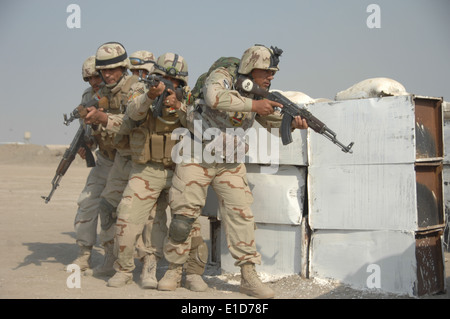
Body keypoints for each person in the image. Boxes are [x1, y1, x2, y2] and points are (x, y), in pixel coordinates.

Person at [159, 44, 308, 298]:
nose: (270, 77)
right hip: (197, 150)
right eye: (266, 72)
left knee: (242, 216)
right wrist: (254, 105)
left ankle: (248, 276)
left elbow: (267, 118)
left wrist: (291, 123)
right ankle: (174, 269)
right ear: (250, 67)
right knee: (184, 215)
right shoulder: (223, 75)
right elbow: (213, 97)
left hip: (229, 159)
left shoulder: (261, 92)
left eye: (273, 73)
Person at [107, 53, 208, 291]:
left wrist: (179, 105)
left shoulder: (190, 97)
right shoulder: (142, 90)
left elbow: (201, 126)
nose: (167, 84)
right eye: (163, 78)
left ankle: (192, 273)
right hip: (148, 169)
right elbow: (132, 113)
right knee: (127, 219)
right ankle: (124, 269)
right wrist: (151, 96)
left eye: (173, 81)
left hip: (181, 168)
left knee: (188, 224)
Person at [82, 42, 139, 277]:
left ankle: (147, 264)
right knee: (106, 207)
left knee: (141, 215)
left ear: (124, 67)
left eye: (113, 69)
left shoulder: (136, 88)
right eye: (103, 70)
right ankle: (110, 258)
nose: (107, 74)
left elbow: (130, 122)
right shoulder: (101, 92)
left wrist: (104, 119)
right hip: (118, 159)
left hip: (140, 160)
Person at [70, 55, 111, 271]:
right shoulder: (87, 97)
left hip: (126, 159)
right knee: (86, 202)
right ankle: (84, 253)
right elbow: (89, 134)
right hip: (104, 160)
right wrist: (85, 146)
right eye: (89, 78)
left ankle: (120, 258)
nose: (94, 82)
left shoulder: (119, 93)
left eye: (97, 76)